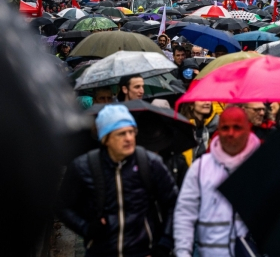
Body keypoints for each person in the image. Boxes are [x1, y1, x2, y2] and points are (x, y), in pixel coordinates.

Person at [58, 105, 178, 257]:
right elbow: (62, 206)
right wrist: (86, 228)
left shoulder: (150, 163)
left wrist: (164, 245)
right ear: (106, 139)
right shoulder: (83, 166)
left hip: (142, 252)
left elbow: (173, 203)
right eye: (121, 134)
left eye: (131, 131)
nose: (128, 138)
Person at [173, 107, 260, 257]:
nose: (231, 133)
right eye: (225, 128)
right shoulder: (200, 168)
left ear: (247, 129)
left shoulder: (261, 164)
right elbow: (185, 215)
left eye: (237, 127)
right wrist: (183, 253)